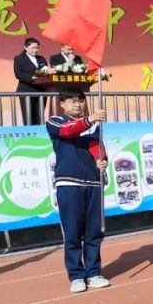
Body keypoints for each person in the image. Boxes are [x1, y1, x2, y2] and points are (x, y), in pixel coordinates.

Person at [46, 88, 110, 293]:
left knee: (94, 231)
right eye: (73, 101)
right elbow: (68, 131)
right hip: (69, 183)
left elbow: (96, 146)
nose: (78, 105)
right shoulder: (55, 121)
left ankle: (93, 272)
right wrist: (90, 119)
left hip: (93, 183)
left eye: (81, 101)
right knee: (73, 232)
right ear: (62, 104)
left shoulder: (92, 126)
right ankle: (76, 275)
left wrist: (101, 159)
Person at [13, 36, 48, 125]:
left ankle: (40, 134)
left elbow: (44, 71)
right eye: (33, 48)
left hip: (41, 90)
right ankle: (30, 135)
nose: (35, 50)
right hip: (26, 90)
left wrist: (48, 71)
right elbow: (19, 74)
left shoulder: (41, 59)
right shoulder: (19, 58)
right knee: (28, 116)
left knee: (39, 115)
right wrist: (32, 77)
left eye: (37, 48)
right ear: (25, 47)